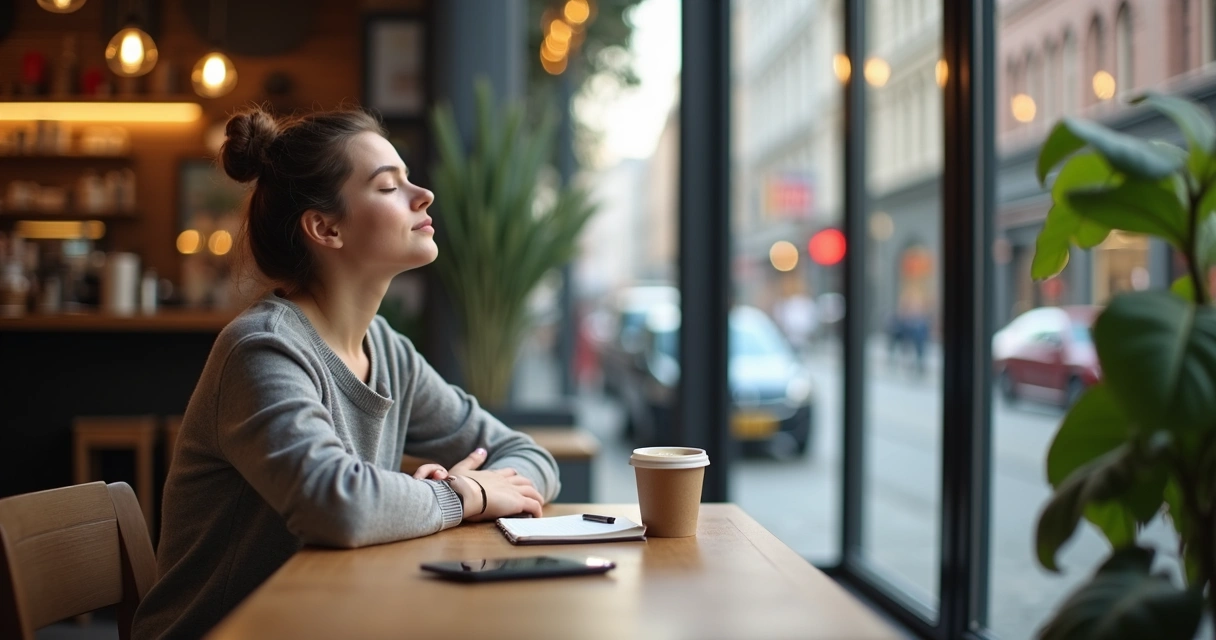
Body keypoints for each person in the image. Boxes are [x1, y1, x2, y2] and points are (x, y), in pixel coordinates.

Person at [132, 106, 560, 639]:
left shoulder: (388, 352)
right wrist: (463, 494)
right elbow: (338, 507)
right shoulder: (262, 351)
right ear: (325, 227)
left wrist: (441, 493)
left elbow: (531, 459)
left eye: (409, 179)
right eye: (388, 186)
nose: (422, 195)